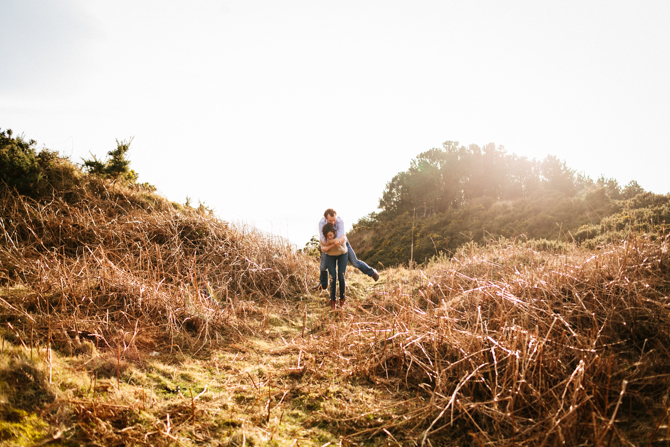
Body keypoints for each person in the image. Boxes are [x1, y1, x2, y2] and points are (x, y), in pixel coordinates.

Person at [315, 208, 379, 292]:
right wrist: (333, 243)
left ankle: (372, 272)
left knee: (355, 263)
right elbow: (324, 241)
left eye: (334, 220)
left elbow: (340, 239)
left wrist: (330, 244)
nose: (333, 222)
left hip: (343, 245)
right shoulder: (321, 223)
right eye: (330, 221)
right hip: (332, 245)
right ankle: (323, 284)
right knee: (323, 266)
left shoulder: (340, 221)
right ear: (325, 218)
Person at [321, 223, 347, 309]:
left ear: (334, 232)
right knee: (332, 277)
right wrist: (331, 245)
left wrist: (338, 246)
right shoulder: (323, 239)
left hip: (342, 254)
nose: (330, 237)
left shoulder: (340, 237)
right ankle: (333, 301)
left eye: (331, 235)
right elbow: (324, 249)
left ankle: (342, 300)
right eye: (327, 236)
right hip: (330, 255)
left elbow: (343, 251)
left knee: (341, 276)